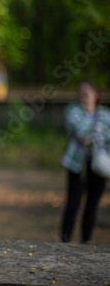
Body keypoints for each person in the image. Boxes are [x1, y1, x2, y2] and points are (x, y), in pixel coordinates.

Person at [60, 81, 110, 243]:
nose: (82, 97)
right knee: (73, 202)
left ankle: (85, 242)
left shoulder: (105, 114)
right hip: (77, 164)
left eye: (86, 93)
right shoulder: (72, 111)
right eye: (80, 93)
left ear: (96, 94)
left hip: (99, 165)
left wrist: (92, 137)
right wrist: (98, 135)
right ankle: (65, 240)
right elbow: (80, 132)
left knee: (92, 204)